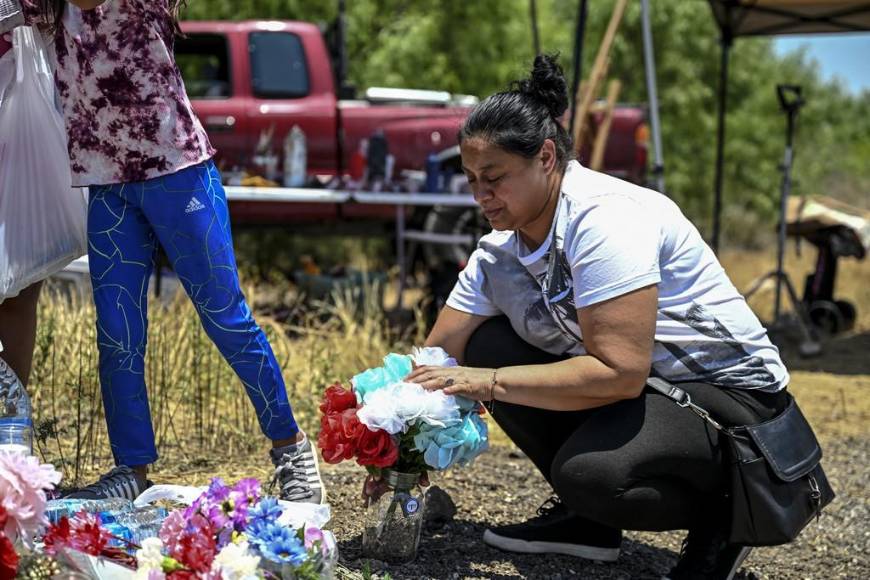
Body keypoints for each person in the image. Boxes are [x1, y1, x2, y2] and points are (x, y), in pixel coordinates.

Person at [405, 54, 793, 580]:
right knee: (482, 346)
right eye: (471, 178)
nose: (479, 195)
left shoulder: (603, 219)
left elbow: (621, 371)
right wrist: (392, 442)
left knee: (591, 473)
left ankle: (728, 515)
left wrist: (488, 383)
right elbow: (437, 358)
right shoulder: (499, 250)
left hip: (731, 403)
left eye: (494, 178)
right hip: (653, 393)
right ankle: (585, 522)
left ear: (546, 157)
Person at [9, 0, 324, 503]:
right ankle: (131, 469)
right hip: (108, 189)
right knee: (117, 335)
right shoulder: (44, 8)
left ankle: (290, 447)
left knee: (226, 317)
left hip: (180, 176)